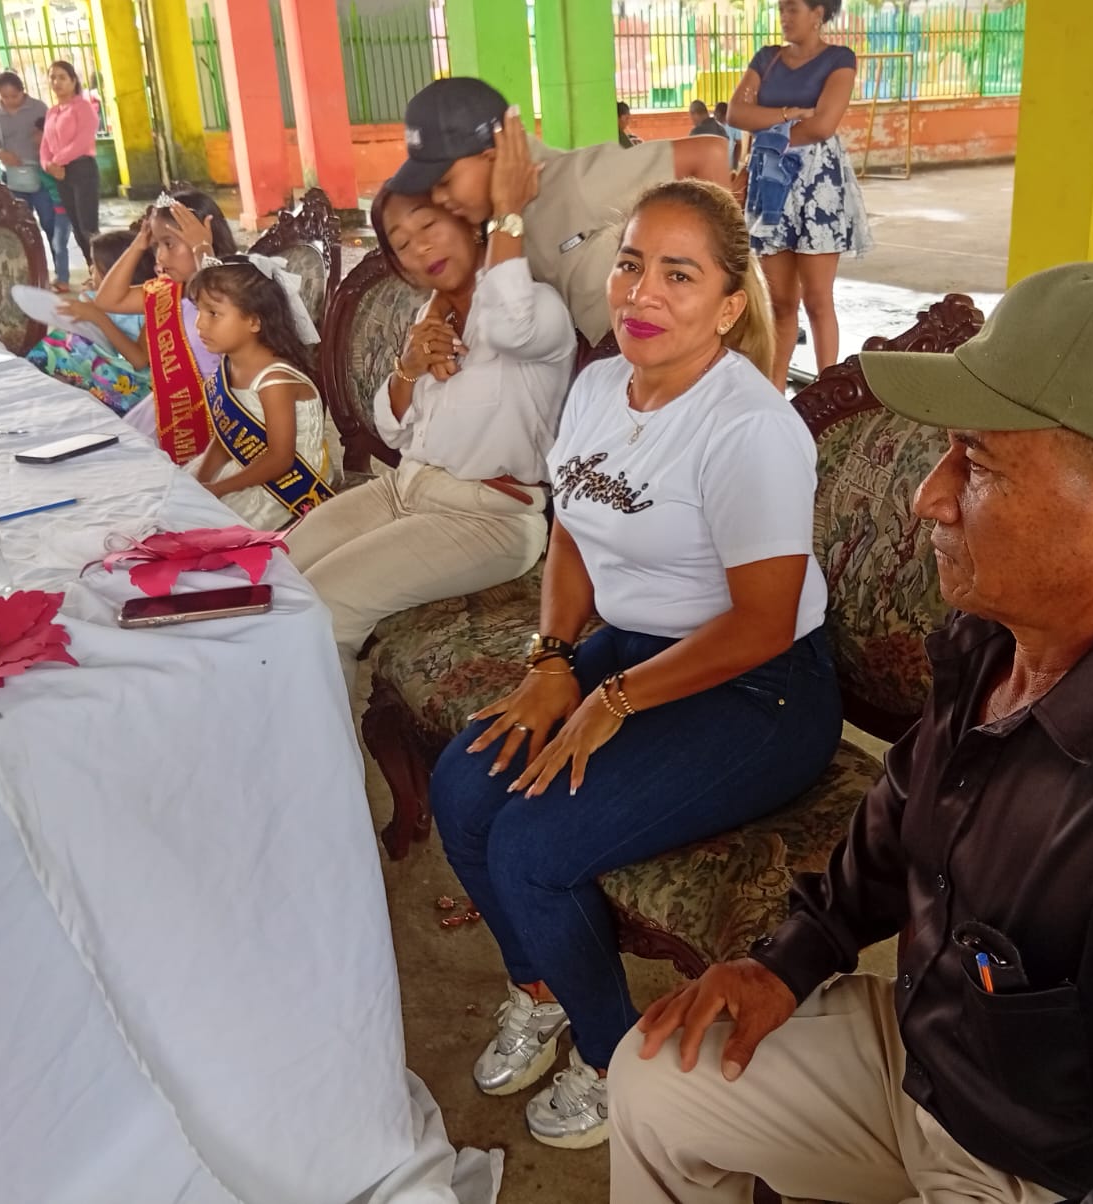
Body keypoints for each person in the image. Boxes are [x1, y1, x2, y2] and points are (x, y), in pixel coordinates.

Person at [613, 262, 1093, 1204]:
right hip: (934, 1067)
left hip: (1059, 1173)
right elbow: (901, 813)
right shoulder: (995, 638)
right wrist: (791, 957)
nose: (929, 496)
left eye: (976, 462)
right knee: (655, 1077)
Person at [427, 178, 841, 1152]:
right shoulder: (597, 385)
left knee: (533, 848)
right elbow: (573, 528)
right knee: (463, 786)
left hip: (760, 686)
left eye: (678, 275)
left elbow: (763, 621)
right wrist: (552, 661)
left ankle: (617, 1061)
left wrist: (611, 696)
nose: (641, 294)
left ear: (729, 306)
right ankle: (541, 988)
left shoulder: (749, 428)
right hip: (630, 650)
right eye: (629, 264)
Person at [287, 116, 574, 689]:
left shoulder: (537, 309)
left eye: (429, 224)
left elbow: (509, 323)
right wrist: (407, 367)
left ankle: (315, 746)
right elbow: (394, 431)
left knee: (320, 609)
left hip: (488, 518)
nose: (419, 246)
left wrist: (508, 213)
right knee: (279, 575)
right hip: (403, 488)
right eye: (401, 243)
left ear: (468, 222)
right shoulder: (431, 318)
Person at [391, 77, 731, 341]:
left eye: (445, 181)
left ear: (492, 155)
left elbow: (709, 154)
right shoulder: (486, 218)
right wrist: (438, 306)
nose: (438, 198)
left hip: (652, 350)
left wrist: (722, 288)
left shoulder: (572, 182)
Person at [729, 0, 870, 387]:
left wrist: (768, 129)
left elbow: (823, 125)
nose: (784, 17)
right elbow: (736, 114)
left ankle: (828, 395)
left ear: (818, 13)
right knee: (780, 303)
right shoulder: (767, 58)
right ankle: (774, 391)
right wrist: (789, 114)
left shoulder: (839, 59)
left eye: (792, 9)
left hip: (817, 184)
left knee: (818, 299)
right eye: (781, 9)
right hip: (769, 181)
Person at [186, 254, 335, 529]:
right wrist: (201, 481)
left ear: (254, 322)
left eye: (213, 313)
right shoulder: (229, 364)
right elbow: (228, 434)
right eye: (199, 311)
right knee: (183, 503)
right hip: (244, 464)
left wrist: (219, 489)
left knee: (209, 527)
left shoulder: (274, 381)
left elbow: (280, 459)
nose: (199, 324)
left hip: (287, 481)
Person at [92, 189, 237, 464]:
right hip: (173, 411)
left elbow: (218, 298)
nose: (160, 258)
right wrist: (139, 243)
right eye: (156, 246)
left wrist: (202, 250)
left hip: (224, 414)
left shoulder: (235, 285)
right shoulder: (168, 292)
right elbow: (107, 299)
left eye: (169, 244)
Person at [29, 229, 153, 416]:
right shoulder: (94, 298)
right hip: (108, 370)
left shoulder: (147, 307)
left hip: (136, 385)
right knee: (64, 339)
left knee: (68, 344)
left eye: (96, 266)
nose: (90, 270)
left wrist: (98, 317)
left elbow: (139, 361)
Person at [0, 70, 71, 292]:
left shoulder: (38, 107)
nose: (10, 101)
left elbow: (52, 134)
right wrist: (1, 153)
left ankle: (60, 273)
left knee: (49, 222)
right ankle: (28, 272)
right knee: (19, 226)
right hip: (12, 177)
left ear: (23, 91)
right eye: (4, 97)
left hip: (40, 174)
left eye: (14, 96)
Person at [40, 60, 101, 267]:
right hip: (60, 174)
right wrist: (47, 165)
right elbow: (45, 144)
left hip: (82, 170)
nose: (56, 82)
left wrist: (56, 162)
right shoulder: (52, 112)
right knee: (76, 225)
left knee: (88, 226)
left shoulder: (83, 107)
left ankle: (103, 271)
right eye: (52, 77)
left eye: (62, 77)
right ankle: (92, 270)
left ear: (73, 81)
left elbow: (82, 141)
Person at [715, 100, 743, 171]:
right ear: (715, 115)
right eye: (719, 118)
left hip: (728, 167)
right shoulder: (710, 125)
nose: (723, 121)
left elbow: (739, 144)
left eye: (724, 118)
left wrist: (735, 165)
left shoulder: (734, 124)